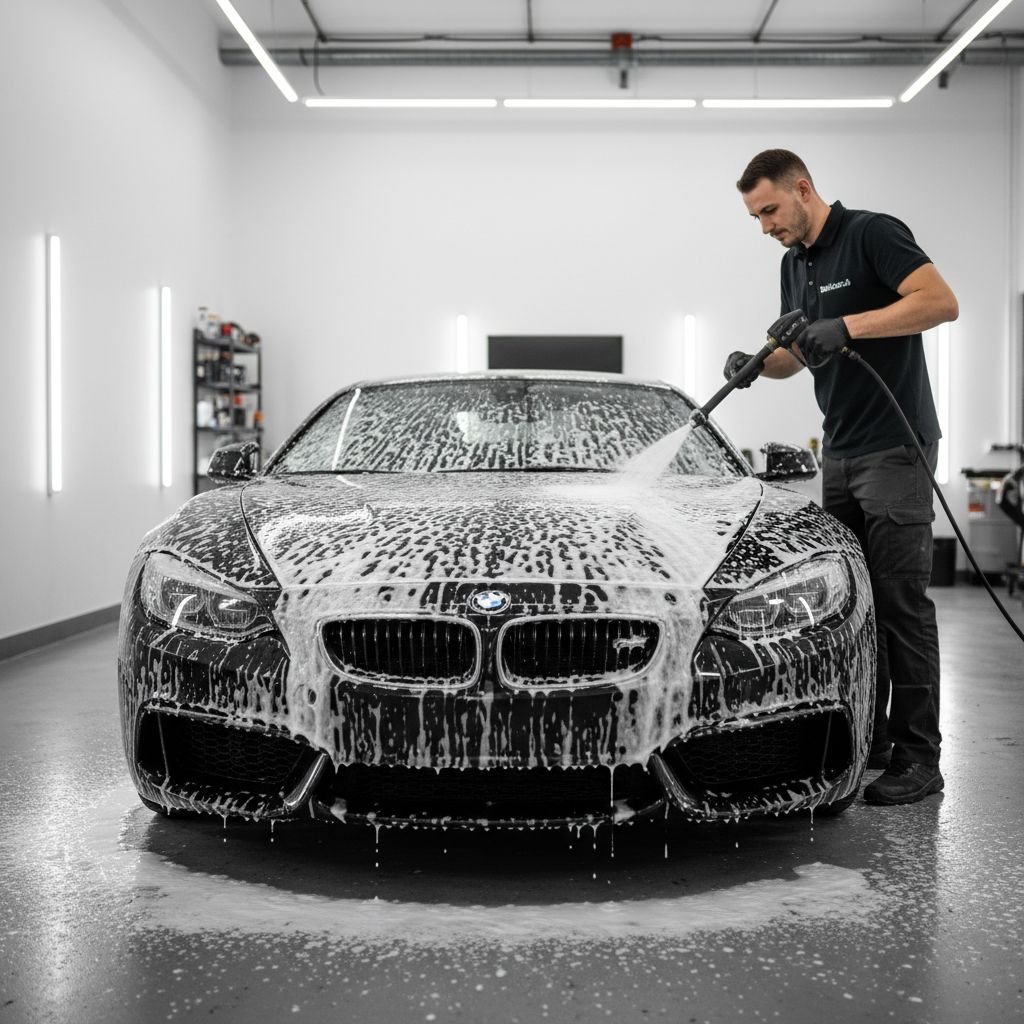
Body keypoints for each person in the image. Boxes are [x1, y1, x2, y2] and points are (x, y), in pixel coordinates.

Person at [726, 149, 959, 806]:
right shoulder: (793, 263)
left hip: (896, 446)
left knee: (901, 607)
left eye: (770, 209)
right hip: (842, 451)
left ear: (803, 189)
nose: (765, 225)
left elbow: (940, 303)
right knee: (853, 607)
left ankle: (920, 757)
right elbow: (801, 354)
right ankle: (875, 742)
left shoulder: (872, 234)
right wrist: (756, 363)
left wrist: (848, 323)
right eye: (755, 215)